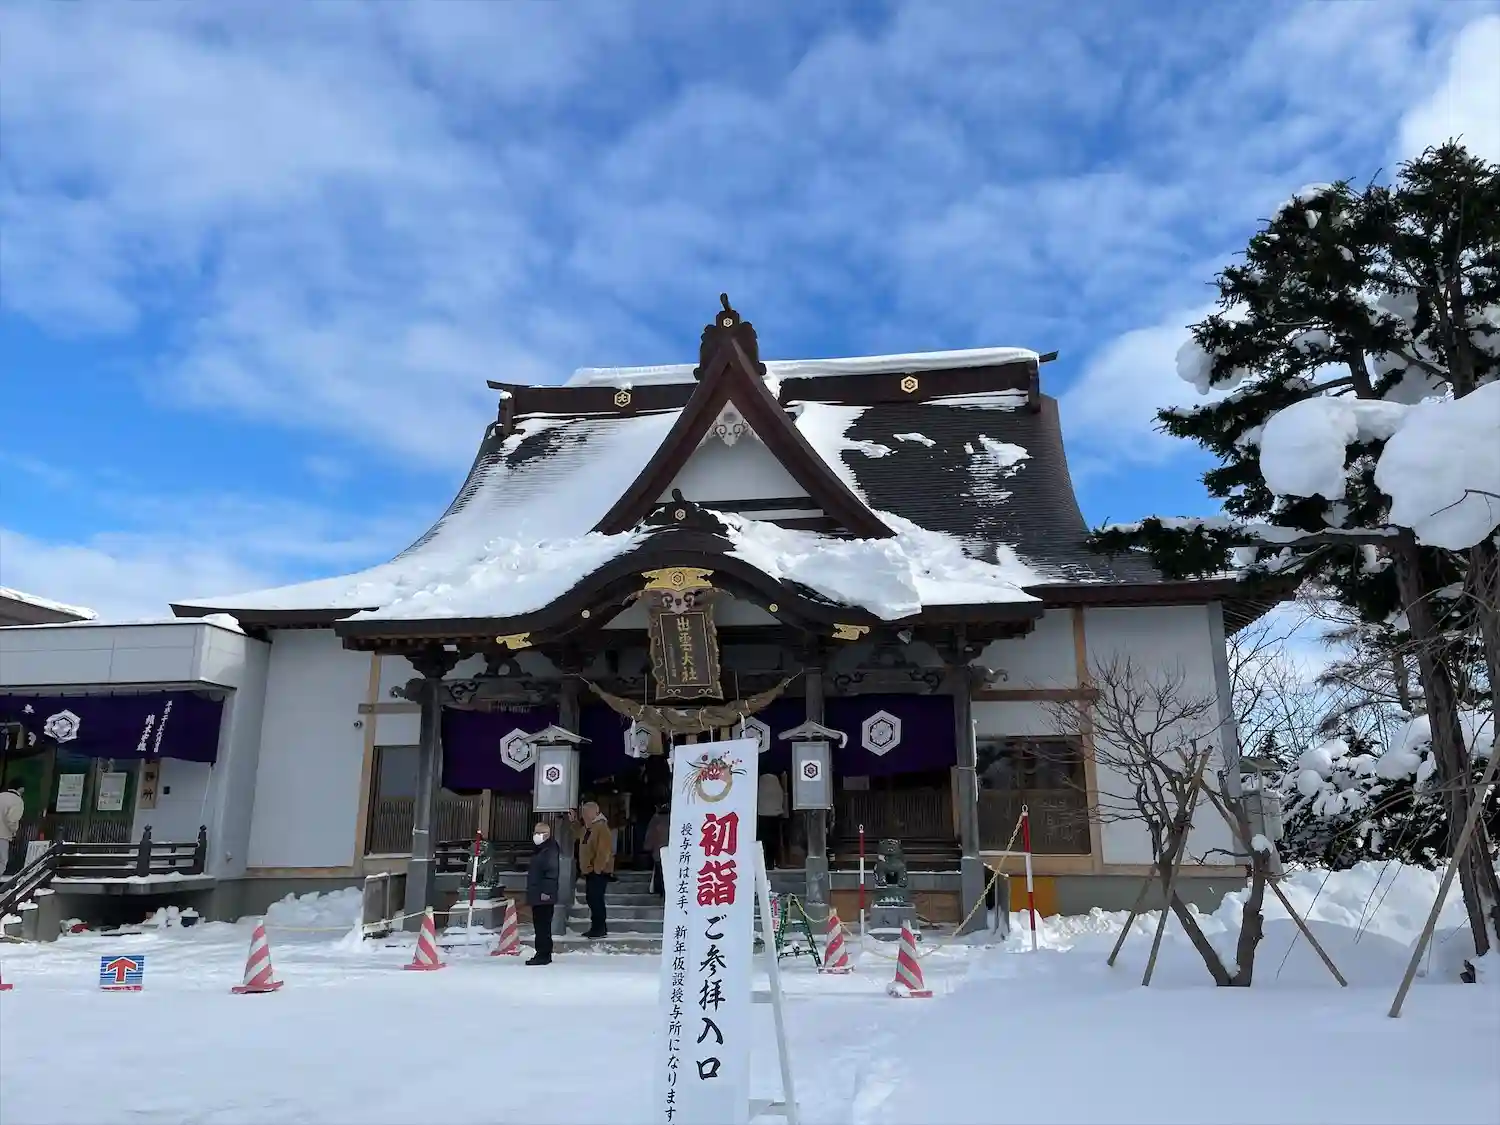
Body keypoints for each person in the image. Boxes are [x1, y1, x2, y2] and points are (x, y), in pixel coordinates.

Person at [573, 800, 614, 937]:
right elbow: (577, 835)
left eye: (586, 812)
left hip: (598, 872)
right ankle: (596, 927)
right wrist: (573, 822)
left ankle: (599, 928)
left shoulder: (601, 827)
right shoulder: (587, 828)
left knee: (596, 899)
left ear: (594, 812)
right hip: (590, 871)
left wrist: (596, 869)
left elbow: (604, 851)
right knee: (592, 899)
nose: (583, 815)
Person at [524, 820, 561, 966]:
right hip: (538, 892)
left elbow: (551, 873)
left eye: (539, 833)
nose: (536, 835)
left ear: (546, 834)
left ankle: (543, 954)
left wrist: (546, 892)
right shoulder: (541, 850)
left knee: (543, 925)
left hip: (544, 894)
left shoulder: (549, 850)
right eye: (535, 832)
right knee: (540, 925)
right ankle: (542, 952)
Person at [757, 770, 786, 867]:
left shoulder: (761, 780)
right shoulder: (776, 780)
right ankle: (771, 862)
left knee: (762, 839)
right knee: (773, 840)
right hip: (774, 813)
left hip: (761, 812)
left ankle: (764, 863)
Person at [643, 803, 671, 898]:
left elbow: (650, 835)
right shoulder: (675, 818)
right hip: (672, 851)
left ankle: (661, 892)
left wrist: (647, 847)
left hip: (659, 851)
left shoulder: (656, 819)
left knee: (660, 872)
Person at [0, 784, 24, 878]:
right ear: (21, 788)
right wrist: (14, 832)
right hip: (3, 836)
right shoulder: (17, 801)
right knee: (1, 862)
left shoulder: (1, 796)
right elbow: (11, 820)